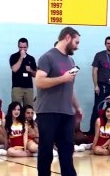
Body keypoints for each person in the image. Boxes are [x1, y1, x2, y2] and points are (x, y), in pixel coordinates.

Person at [35, 27, 82, 176]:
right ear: (67, 38)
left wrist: (78, 107)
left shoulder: (71, 60)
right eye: (76, 42)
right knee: (46, 151)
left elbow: (70, 87)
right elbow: (39, 82)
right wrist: (63, 78)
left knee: (67, 150)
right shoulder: (47, 57)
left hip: (67, 112)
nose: (77, 46)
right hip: (48, 111)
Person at [89, 36, 110, 135]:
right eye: (108, 43)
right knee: (97, 108)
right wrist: (96, 85)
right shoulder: (99, 55)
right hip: (101, 85)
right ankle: (92, 132)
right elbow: (94, 71)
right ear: (105, 44)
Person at [9, 38, 37, 106]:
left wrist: (30, 70)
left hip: (29, 87)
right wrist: (21, 57)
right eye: (21, 47)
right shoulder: (14, 56)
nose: (23, 49)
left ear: (27, 47)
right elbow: (14, 69)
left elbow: (36, 74)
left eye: (25, 47)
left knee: (29, 108)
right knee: (16, 107)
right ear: (18, 46)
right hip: (17, 87)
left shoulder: (31, 58)